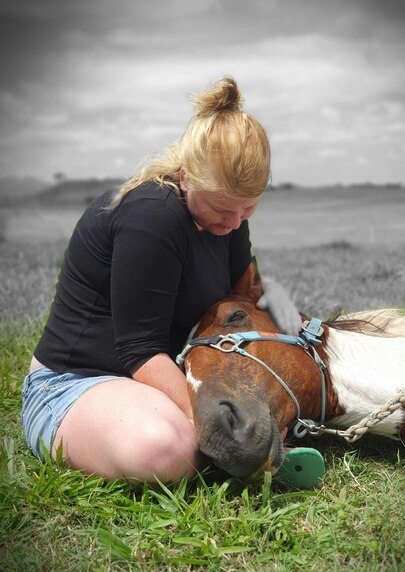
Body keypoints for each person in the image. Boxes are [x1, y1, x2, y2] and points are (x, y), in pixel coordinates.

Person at [21, 77, 302, 484]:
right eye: (223, 207)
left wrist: (270, 295)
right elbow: (139, 351)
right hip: (76, 384)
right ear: (187, 177)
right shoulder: (152, 216)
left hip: (162, 377)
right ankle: (238, 456)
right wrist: (216, 423)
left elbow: (238, 298)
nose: (235, 222)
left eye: (249, 208)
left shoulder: (229, 218)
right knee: (165, 449)